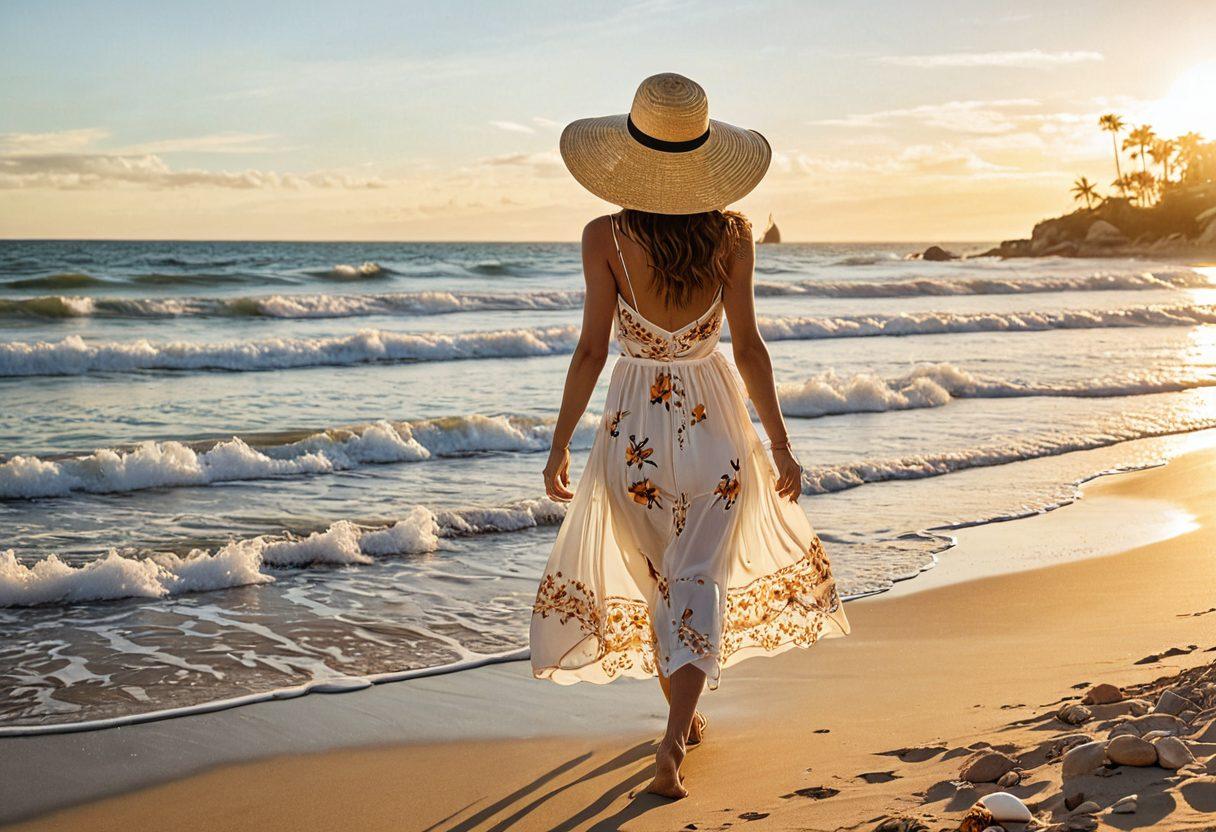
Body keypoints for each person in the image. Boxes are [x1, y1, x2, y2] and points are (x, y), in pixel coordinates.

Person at [529, 72, 849, 799]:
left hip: (631, 428)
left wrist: (557, 447)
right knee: (699, 576)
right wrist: (779, 444)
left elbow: (588, 351)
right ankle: (679, 730)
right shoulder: (734, 236)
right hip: (715, 427)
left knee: (660, 577)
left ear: (630, 156)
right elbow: (749, 350)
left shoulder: (602, 237)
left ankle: (674, 729)